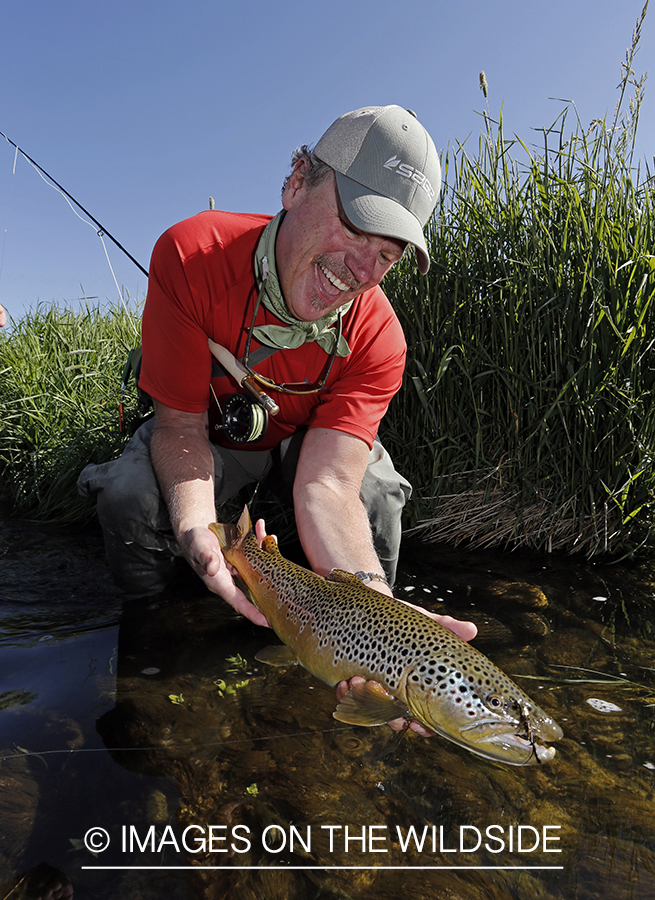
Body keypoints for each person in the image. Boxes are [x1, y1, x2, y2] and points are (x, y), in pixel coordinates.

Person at [78, 107, 477, 720]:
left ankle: (353, 669)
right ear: (296, 184)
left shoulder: (380, 337)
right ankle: (151, 638)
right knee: (132, 496)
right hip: (208, 434)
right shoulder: (192, 256)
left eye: (389, 255)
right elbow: (180, 426)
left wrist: (384, 620)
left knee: (379, 497)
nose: (364, 272)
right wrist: (196, 532)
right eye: (356, 228)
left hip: (308, 447)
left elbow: (329, 482)